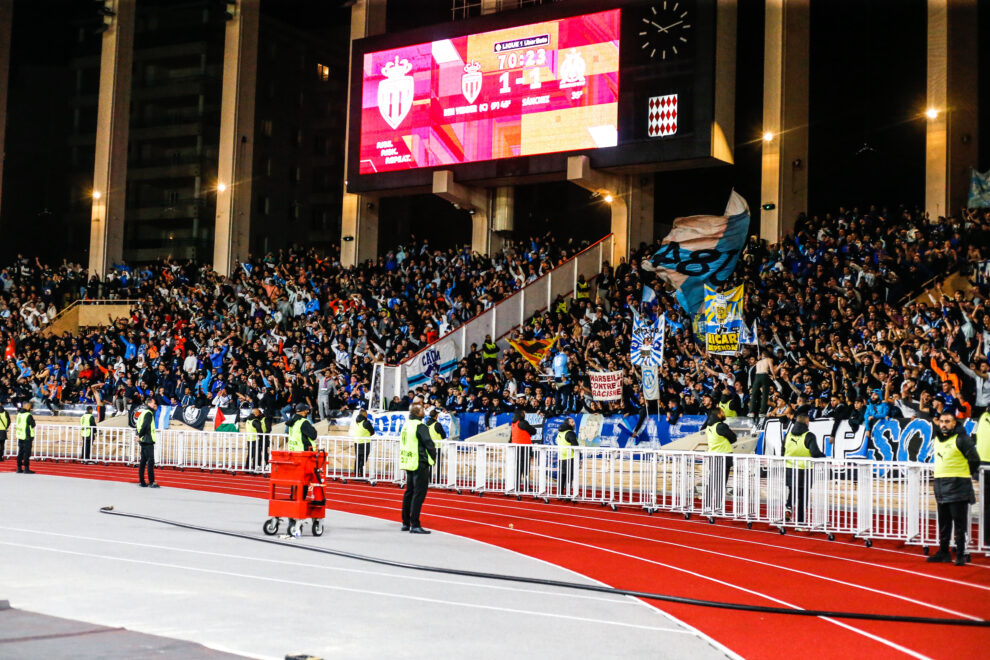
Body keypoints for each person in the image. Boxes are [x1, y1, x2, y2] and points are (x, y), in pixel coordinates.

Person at [927, 411, 980, 565]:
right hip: (941, 485)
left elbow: (974, 459)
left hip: (958, 485)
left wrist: (964, 474)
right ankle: (943, 552)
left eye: (947, 421)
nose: (944, 424)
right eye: (942, 421)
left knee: (959, 523)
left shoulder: (962, 439)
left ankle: (961, 554)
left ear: (954, 423)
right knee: (943, 523)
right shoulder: (937, 438)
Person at [399, 404, 436, 534]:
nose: (424, 412)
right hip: (419, 462)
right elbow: (428, 443)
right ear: (418, 413)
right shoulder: (420, 426)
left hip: (409, 462)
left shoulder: (406, 425)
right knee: (418, 494)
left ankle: (405, 523)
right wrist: (433, 457)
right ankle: (415, 524)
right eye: (422, 410)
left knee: (409, 492)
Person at [783, 412, 824, 527]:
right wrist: (824, 457)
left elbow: (783, 450)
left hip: (790, 468)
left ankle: (788, 508)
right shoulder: (809, 435)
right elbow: (815, 452)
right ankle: (800, 522)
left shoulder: (788, 434)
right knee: (802, 496)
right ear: (807, 422)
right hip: (804, 469)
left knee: (792, 490)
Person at [702, 405, 737, 509]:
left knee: (712, 481)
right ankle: (718, 505)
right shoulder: (721, 426)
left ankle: (707, 504)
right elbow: (733, 438)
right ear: (718, 414)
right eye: (722, 412)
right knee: (721, 482)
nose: (724, 414)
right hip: (723, 456)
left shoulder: (709, 427)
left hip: (713, 456)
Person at [510, 410, 537, 491]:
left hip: (517, 448)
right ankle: (526, 487)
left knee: (519, 468)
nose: (524, 415)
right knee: (525, 468)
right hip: (524, 448)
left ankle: (517, 486)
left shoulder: (513, 424)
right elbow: (534, 431)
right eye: (523, 413)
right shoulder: (522, 423)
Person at [975, 409, 990, 547]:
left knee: (987, 506)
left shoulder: (984, 416)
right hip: (984, 465)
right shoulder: (984, 417)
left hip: (982, 465)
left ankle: (988, 540)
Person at [135, 399, 159, 487]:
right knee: (150, 461)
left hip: (143, 440)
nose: (154, 404)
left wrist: (138, 435)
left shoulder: (143, 413)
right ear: (149, 403)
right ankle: (151, 481)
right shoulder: (148, 413)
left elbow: (138, 425)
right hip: (148, 440)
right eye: (153, 403)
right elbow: (145, 426)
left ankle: (142, 481)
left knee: (143, 461)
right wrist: (139, 435)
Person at [555, 417, 579, 499]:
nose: (574, 424)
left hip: (561, 458)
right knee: (569, 477)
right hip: (570, 458)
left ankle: (560, 494)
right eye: (572, 422)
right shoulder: (570, 433)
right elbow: (575, 446)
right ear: (568, 424)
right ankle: (568, 494)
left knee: (562, 476)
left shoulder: (559, 433)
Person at [350, 408, 374, 478]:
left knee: (358, 459)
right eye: (366, 414)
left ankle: (356, 474)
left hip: (357, 442)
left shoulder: (356, 421)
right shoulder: (366, 422)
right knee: (363, 459)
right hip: (365, 443)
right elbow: (372, 432)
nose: (367, 415)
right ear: (364, 414)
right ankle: (362, 473)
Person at [425, 407, 446, 482]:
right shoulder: (437, 424)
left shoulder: (426, 424)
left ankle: (429, 479)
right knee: (438, 464)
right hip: (438, 446)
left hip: (429, 446)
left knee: (430, 463)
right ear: (436, 416)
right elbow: (444, 435)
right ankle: (438, 480)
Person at [245, 408, 270, 472]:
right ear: (256, 414)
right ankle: (256, 467)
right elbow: (260, 431)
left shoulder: (248, 420)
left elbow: (268, 429)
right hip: (257, 439)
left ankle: (250, 467)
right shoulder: (255, 421)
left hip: (251, 439)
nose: (260, 414)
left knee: (255, 453)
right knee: (256, 454)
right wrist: (262, 437)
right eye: (259, 413)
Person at [15, 402, 36, 474]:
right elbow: (33, 424)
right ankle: (26, 468)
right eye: (29, 406)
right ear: (27, 406)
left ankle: (19, 468)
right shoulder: (28, 415)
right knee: (26, 453)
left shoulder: (19, 414)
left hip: (20, 435)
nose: (30, 407)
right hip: (27, 436)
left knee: (20, 452)